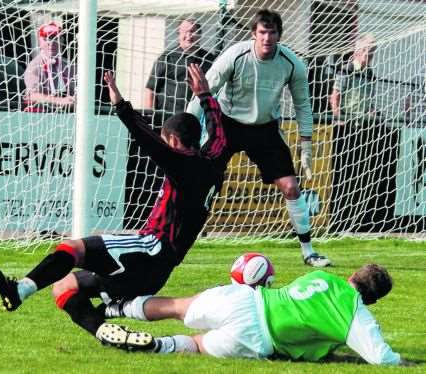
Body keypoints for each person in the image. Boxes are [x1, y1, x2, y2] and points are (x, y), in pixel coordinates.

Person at [0, 63, 227, 350]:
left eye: (166, 141)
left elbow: (147, 140)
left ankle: (19, 290)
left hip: (150, 249)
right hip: (156, 270)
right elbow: (219, 132)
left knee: (73, 249)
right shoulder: (214, 159)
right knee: (64, 287)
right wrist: (206, 97)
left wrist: (121, 106)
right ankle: (105, 332)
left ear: (172, 140)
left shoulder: (184, 164)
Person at [187, 9, 330, 267]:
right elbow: (203, 90)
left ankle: (308, 251)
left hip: (265, 129)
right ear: (254, 34)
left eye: (272, 32)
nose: (266, 37)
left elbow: (303, 105)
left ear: (278, 35)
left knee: (291, 187)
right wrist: (187, 128)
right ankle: (184, 237)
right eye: (262, 32)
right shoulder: (235, 55)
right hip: (227, 124)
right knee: (204, 182)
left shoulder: (292, 63)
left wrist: (306, 148)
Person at [99, 264, 405, 365]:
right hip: (259, 336)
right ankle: (158, 346)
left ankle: (117, 306)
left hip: (247, 298)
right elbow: (382, 358)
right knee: (198, 344)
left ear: (352, 274)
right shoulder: (356, 313)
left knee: (177, 306)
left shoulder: (321, 276)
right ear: (373, 300)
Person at [328, 34, 393, 232]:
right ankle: (338, 221)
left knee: (359, 176)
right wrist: (339, 118)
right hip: (345, 128)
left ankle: (357, 221)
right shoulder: (346, 70)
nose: (370, 55)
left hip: (363, 128)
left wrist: (374, 114)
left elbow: (369, 101)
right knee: (342, 174)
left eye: (372, 51)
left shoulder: (370, 74)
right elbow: (334, 97)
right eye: (367, 50)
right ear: (357, 51)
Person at [145, 18, 216, 116]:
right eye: (185, 32)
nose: (189, 35)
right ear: (179, 34)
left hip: (197, 117)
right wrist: (150, 116)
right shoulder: (167, 57)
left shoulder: (208, 59)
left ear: (200, 35)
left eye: (192, 31)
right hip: (168, 118)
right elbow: (151, 89)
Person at [23, 21, 76, 112]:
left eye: (56, 38)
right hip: (38, 118)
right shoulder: (34, 66)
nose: (51, 43)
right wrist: (59, 101)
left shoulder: (69, 66)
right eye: (46, 38)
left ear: (62, 41)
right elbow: (32, 96)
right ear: (39, 42)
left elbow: (75, 91)